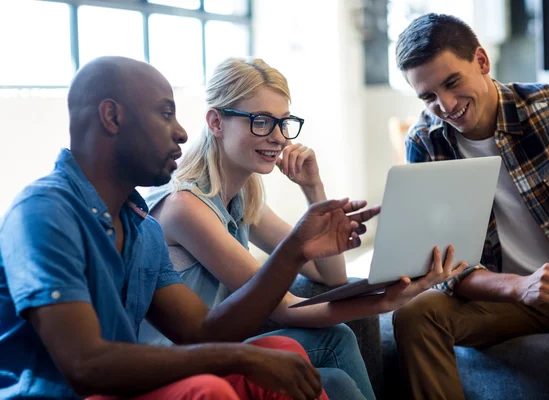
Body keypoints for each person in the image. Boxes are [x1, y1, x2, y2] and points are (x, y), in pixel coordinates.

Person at [0, 56, 383, 400]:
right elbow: (85, 365)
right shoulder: (44, 212)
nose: (182, 132)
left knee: (285, 352)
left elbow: (203, 331)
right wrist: (241, 355)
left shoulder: (141, 229)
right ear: (112, 117)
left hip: (131, 381)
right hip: (85, 388)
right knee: (209, 388)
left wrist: (297, 246)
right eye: (166, 114)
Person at [137, 57, 468, 400]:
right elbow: (283, 306)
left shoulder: (242, 199)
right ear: (216, 122)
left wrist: (313, 187)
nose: (279, 138)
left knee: (337, 337)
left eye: (284, 123)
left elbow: (332, 276)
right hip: (173, 361)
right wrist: (384, 303)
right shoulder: (185, 207)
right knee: (336, 381)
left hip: (216, 345)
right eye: (261, 121)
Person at [392, 13, 549, 400]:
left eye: (452, 83)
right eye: (429, 96)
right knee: (416, 314)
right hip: (505, 297)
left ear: (482, 62)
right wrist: (518, 287)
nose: (446, 105)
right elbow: (441, 264)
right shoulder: (425, 143)